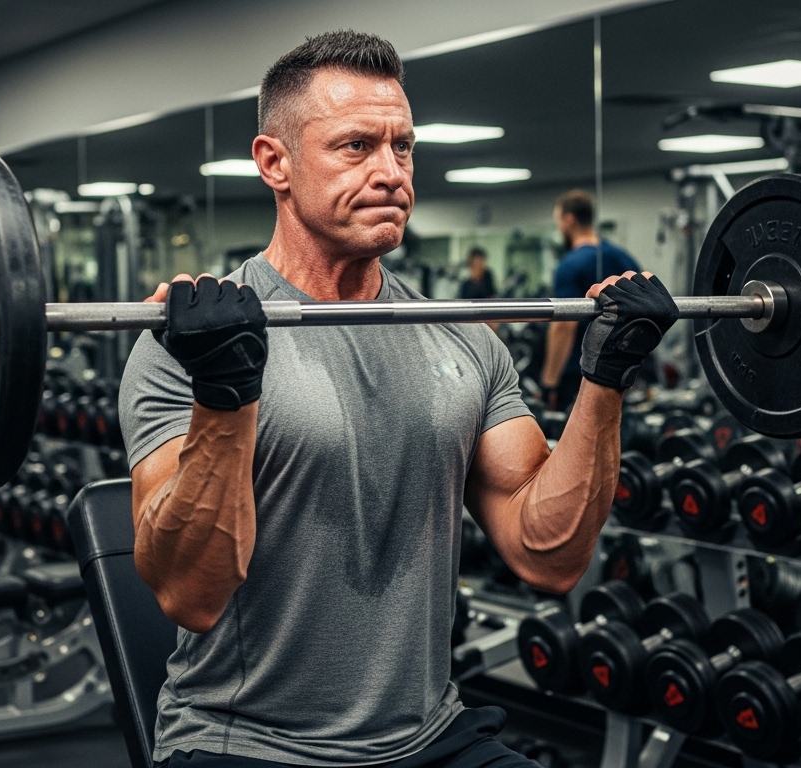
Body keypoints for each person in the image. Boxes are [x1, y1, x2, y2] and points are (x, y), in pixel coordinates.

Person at [120, 31, 676, 768]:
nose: (390, 172)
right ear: (273, 162)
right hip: (248, 745)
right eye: (356, 146)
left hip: (431, 737)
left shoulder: (463, 339)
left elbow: (549, 556)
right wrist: (225, 392)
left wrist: (603, 379)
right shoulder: (182, 345)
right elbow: (189, 595)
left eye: (403, 148)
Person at [540, 189, 643, 412]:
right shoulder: (622, 257)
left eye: (559, 221)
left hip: (579, 373)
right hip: (622, 370)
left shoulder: (569, 265)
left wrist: (549, 384)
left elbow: (564, 326)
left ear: (569, 220)